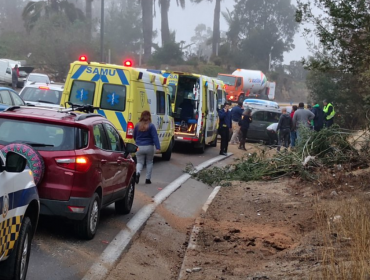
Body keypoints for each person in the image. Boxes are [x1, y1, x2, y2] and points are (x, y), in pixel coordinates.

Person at [133, 111, 161, 184]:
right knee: (149, 162)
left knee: (139, 162)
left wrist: (137, 142)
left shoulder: (137, 125)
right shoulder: (151, 126)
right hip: (149, 147)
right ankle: (147, 179)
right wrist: (158, 147)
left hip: (139, 147)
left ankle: (138, 173)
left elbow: (134, 136)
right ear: (149, 117)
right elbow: (155, 137)